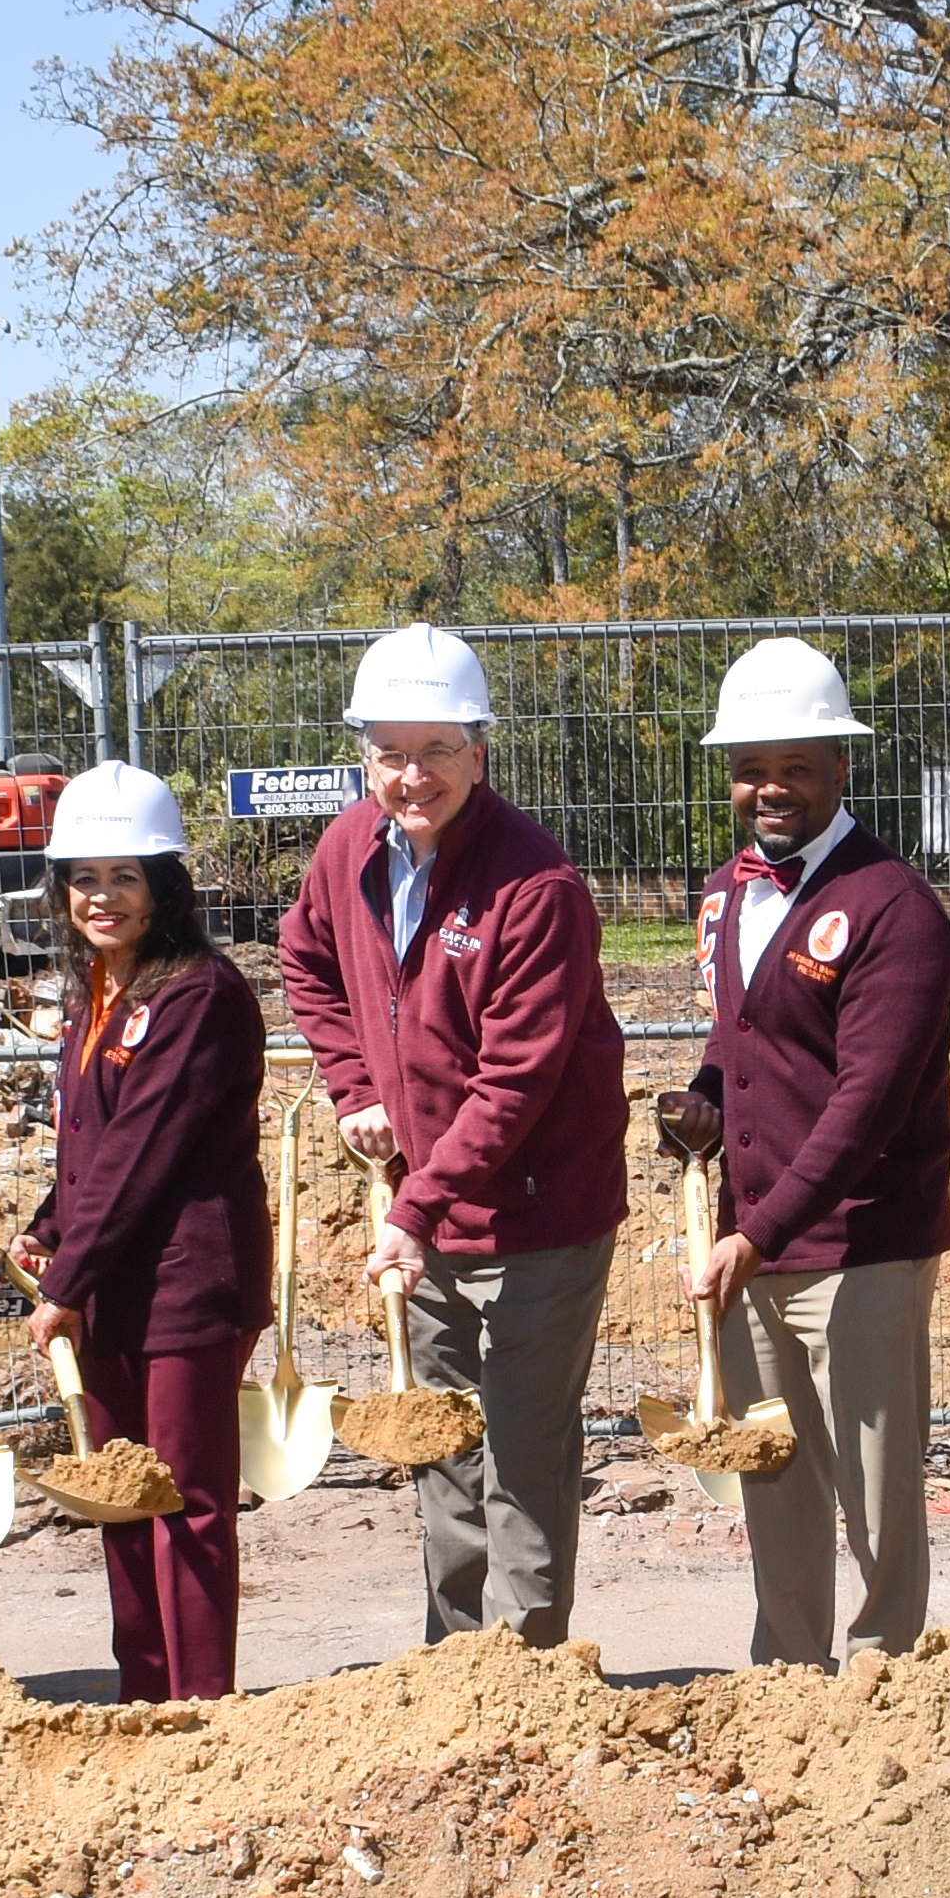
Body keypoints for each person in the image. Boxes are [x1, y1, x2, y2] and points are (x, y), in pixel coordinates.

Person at [272, 622, 633, 1648]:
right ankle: (453, 1655)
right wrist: (351, 1087)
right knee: (442, 1445)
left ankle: (527, 1665)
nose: (412, 775)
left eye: (437, 751)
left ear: (479, 752)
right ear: (364, 758)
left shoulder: (533, 886)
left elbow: (518, 1080)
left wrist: (416, 1203)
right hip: (425, 1211)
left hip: (538, 1217)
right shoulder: (348, 850)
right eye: (391, 752)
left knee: (521, 1447)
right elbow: (304, 960)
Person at [664, 635, 950, 1666]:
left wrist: (763, 1230)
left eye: (796, 765)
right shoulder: (725, 893)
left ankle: (886, 1677)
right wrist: (701, 1101)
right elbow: (739, 1040)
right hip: (756, 1241)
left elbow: (866, 1102)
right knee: (772, 1471)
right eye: (752, 767)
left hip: (858, 1245)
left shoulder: (892, 907)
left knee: (876, 1488)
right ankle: (789, 1670)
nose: (771, 788)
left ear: (841, 765)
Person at [21, 764, 270, 1699]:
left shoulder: (197, 998)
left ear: (167, 884)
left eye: (125, 877)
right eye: (83, 878)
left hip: (186, 1286)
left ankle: (202, 1711)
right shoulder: (101, 989)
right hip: (114, 1283)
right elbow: (93, 1141)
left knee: (185, 1504)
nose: (102, 897)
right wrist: (52, 1228)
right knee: (121, 1498)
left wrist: (65, 1283)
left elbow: (144, 1152)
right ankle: (144, 1694)